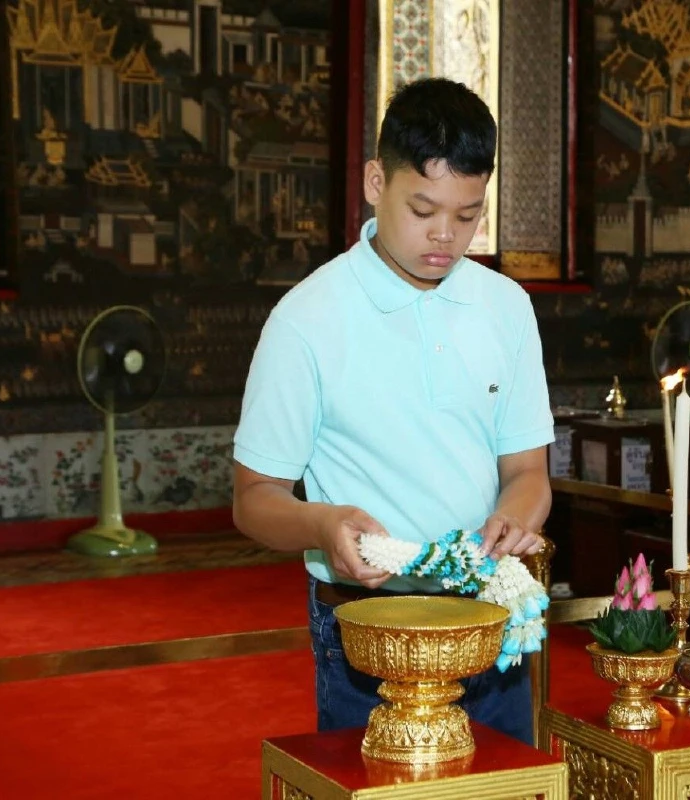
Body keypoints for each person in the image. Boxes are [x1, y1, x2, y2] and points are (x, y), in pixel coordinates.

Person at [230, 77, 555, 743]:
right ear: (377, 181)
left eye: (467, 216)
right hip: (366, 627)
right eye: (424, 208)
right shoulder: (307, 320)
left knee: (504, 789)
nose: (445, 236)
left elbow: (527, 471)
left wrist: (513, 523)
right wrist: (322, 525)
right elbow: (253, 499)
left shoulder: (505, 307)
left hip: (488, 614)